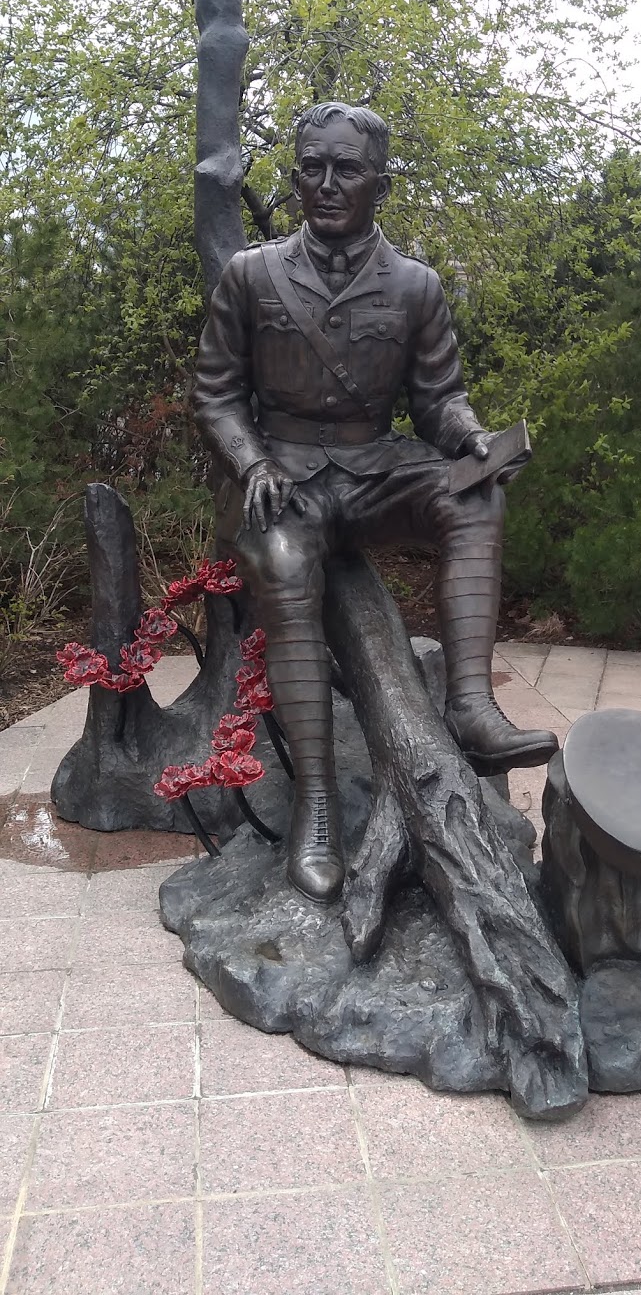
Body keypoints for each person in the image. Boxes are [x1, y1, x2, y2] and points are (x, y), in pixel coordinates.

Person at [192, 102, 557, 903]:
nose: (324, 184)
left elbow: (439, 398)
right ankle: (315, 807)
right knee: (284, 560)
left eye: (345, 169)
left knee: (476, 499)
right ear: (295, 177)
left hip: (375, 465)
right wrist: (250, 459)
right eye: (310, 167)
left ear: (379, 185)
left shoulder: (416, 286)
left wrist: (469, 437)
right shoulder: (249, 275)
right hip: (284, 473)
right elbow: (215, 397)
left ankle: (469, 706)